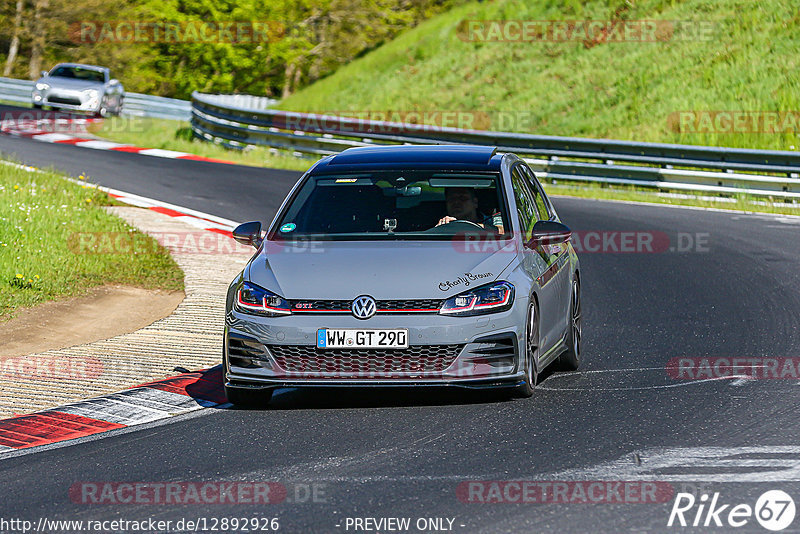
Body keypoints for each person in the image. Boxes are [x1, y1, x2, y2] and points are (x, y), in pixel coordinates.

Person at [436, 187, 504, 234]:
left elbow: (502, 231)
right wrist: (441, 228)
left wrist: (462, 226)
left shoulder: (492, 219)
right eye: (451, 199)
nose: (456, 202)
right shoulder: (442, 223)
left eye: (462, 198)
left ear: (475, 202)